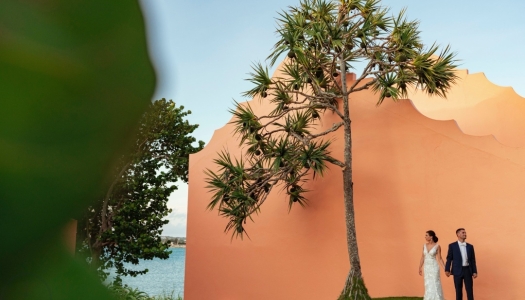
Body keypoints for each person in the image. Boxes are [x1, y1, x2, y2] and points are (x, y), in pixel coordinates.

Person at [445, 228, 478, 300]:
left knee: (469, 290)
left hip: (467, 270)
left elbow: (473, 260)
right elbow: (449, 258)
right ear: (458, 234)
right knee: (458, 290)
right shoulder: (452, 246)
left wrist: (474, 271)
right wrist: (447, 269)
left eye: (465, 233)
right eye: (463, 233)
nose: (465, 234)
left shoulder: (470, 246)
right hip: (457, 270)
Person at [418, 230, 446, 300]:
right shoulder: (424, 245)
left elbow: (440, 258)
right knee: (428, 283)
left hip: (434, 267)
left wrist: (445, 268)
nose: (425, 237)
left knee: (435, 283)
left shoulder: (437, 246)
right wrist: (420, 267)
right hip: (426, 267)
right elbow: (422, 257)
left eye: (426, 235)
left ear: (431, 237)